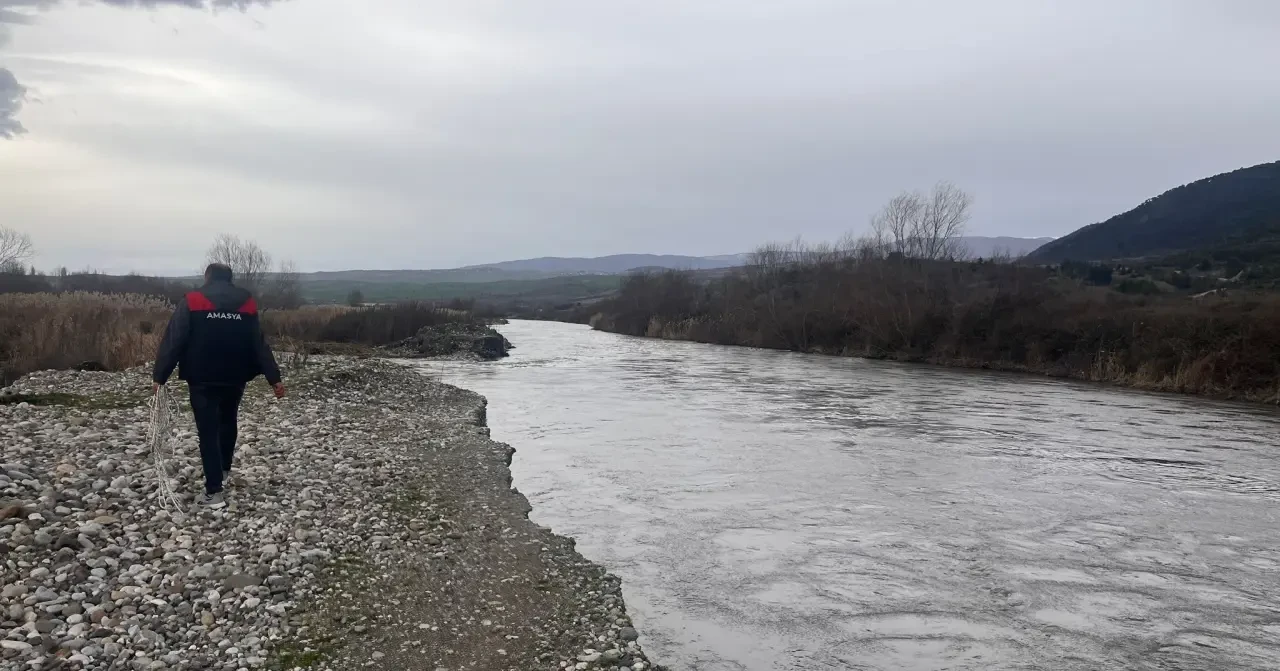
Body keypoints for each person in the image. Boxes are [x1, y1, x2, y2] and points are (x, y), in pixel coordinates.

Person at [153, 263, 285, 509]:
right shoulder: (246, 302)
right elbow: (258, 342)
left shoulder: (192, 300)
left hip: (201, 376)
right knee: (228, 421)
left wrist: (160, 376)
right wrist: (274, 378)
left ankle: (214, 492)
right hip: (236, 376)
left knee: (207, 430)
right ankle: (223, 471)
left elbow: (175, 339)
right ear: (230, 278)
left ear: (207, 276)